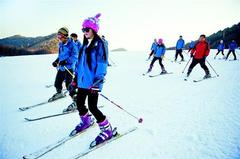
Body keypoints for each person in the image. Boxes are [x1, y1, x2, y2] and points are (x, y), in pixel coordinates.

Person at [69, 13, 113, 146]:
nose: (84, 32)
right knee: (80, 103)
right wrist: (75, 79)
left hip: (93, 84)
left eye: (87, 29)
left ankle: (107, 129)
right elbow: (79, 65)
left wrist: (97, 83)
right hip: (82, 82)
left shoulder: (100, 44)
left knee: (93, 107)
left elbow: (101, 65)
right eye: (83, 29)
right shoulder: (83, 46)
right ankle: (86, 121)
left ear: (94, 30)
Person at [50, 27, 78, 101]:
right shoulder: (61, 44)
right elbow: (60, 55)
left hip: (69, 68)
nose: (58, 38)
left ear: (65, 35)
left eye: (60, 36)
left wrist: (66, 61)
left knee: (69, 85)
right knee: (57, 83)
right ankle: (59, 93)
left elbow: (75, 56)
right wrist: (56, 61)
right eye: (58, 36)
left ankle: (76, 100)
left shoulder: (72, 44)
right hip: (62, 67)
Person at [62, 33, 82, 112]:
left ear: (76, 38)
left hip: (79, 67)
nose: (71, 38)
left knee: (78, 88)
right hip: (76, 67)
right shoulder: (70, 44)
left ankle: (78, 103)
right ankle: (76, 102)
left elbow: (77, 54)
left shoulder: (79, 44)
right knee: (71, 87)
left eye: (73, 37)